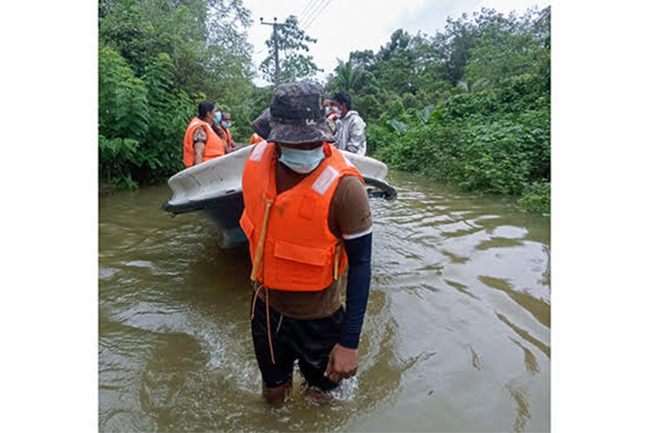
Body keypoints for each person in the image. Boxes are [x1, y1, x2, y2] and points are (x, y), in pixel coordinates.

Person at [240, 82, 373, 405]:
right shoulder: (259, 160)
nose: (303, 147)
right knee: (273, 395)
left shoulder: (346, 188)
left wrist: (349, 343)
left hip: (320, 320)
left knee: (321, 403)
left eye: (310, 140)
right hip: (266, 309)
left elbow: (362, 265)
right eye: (292, 140)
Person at [183, 101, 226, 167]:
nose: (218, 113)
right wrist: (198, 174)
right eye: (216, 111)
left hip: (215, 167)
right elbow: (198, 154)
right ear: (208, 114)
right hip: (207, 169)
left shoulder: (211, 128)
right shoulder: (201, 130)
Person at [330, 91, 367, 156]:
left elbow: (353, 147)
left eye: (335, 105)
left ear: (343, 105)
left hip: (354, 159)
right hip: (343, 158)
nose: (333, 108)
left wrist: (339, 157)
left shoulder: (355, 121)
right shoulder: (339, 121)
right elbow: (336, 141)